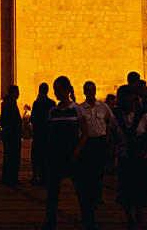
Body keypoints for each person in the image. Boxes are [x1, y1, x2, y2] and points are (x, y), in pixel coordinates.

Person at [43, 76, 93, 230]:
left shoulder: (77, 109)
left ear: (67, 90)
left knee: (82, 192)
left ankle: (89, 224)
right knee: (52, 193)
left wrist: (76, 151)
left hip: (73, 156)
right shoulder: (53, 111)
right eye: (55, 90)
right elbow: (50, 134)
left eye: (58, 90)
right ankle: (49, 225)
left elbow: (85, 133)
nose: (56, 93)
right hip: (57, 156)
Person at [109, 84, 147, 228]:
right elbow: (112, 140)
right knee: (125, 193)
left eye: (132, 101)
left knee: (140, 193)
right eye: (127, 101)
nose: (130, 104)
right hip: (125, 159)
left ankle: (139, 219)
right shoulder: (116, 118)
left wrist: (146, 148)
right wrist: (111, 159)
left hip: (142, 160)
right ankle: (130, 218)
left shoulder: (145, 117)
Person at [79, 80, 111, 204]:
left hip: (100, 141)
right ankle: (90, 195)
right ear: (84, 92)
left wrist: (108, 135)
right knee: (88, 171)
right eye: (87, 90)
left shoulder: (103, 107)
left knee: (98, 170)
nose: (90, 92)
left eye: (92, 90)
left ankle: (98, 195)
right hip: (87, 143)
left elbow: (110, 121)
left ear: (95, 91)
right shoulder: (81, 108)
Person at [30, 82, 55, 185]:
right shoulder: (52, 103)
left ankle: (36, 177)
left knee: (36, 156)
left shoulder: (37, 103)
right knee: (47, 155)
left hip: (38, 133)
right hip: (48, 133)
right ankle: (46, 176)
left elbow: (32, 118)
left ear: (40, 90)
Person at [0, 84, 22, 185]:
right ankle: (12, 179)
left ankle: (7, 178)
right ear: (13, 93)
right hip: (12, 134)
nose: (19, 94)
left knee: (8, 156)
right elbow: (12, 120)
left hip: (8, 134)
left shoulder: (7, 102)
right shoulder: (10, 103)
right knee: (13, 157)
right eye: (17, 92)